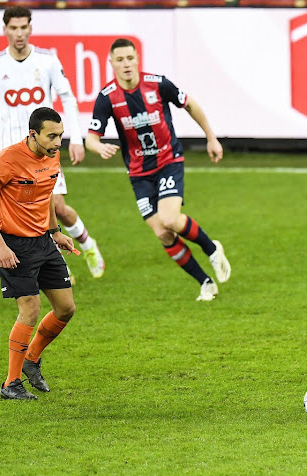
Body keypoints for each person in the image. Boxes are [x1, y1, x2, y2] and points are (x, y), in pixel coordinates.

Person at [85, 38, 230, 301]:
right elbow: (90, 137)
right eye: (120, 60)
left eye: (130, 58)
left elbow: (191, 105)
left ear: (137, 59)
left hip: (168, 161)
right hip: (139, 173)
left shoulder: (158, 83)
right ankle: (206, 282)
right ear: (111, 63)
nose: (126, 64)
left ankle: (211, 249)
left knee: (171, 219)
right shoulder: (107, 98)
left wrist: (211, 137)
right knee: (163, 233)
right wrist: (99, 147)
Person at [0, 6, 105, 280]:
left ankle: (88, 246)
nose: (19, 33)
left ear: (31, 28)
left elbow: (68, 98)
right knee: (23, 213)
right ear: (5, 30)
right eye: (13, 28)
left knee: (57, 208)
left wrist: (76, 139)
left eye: (23, 27)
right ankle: (57, 266)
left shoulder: (48, 61)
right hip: (10, 154)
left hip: (44, 151)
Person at [0, 107, 77, 400]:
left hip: (43, 242)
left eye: (60, 135)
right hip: (14, 246)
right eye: (52, 136)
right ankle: (11, 383)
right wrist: (1, 247)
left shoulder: (51, 155)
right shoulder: (6, 160)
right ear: (33, 134)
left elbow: (45, 194)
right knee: (30, 309)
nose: (58, 142)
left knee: (66, 309)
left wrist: (55, 231)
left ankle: (31, 359)